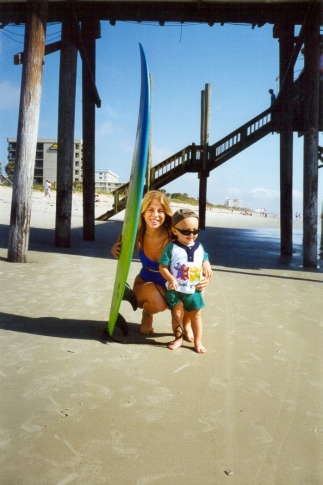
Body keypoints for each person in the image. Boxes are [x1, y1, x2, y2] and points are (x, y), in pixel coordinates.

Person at [111, 191, 212, 337]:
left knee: (196, 289)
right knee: (160, 302)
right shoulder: (137, 234)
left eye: (160, 211)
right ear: (143, 213)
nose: (155, 215)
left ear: (166, 213)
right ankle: (147, 314)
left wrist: (205, 265)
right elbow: (122, 251)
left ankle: (187, 324)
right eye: (150, 210)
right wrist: (115, 250)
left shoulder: (173, 233)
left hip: (175, 282)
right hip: (147, 282)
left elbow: (196, 251)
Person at [159, 209, 209, 353]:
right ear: (175, 231)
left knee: (196, 315)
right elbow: (162, 266)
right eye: (186, 231)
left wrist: (207, 265)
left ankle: (198, 342)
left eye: (195, 230)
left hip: (194, 289)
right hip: (175, 290)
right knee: (178, 314)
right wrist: (170, 278)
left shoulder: (199, 246)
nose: (191, 234)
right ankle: (178, 339)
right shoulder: (171, 248)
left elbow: (205, 257)